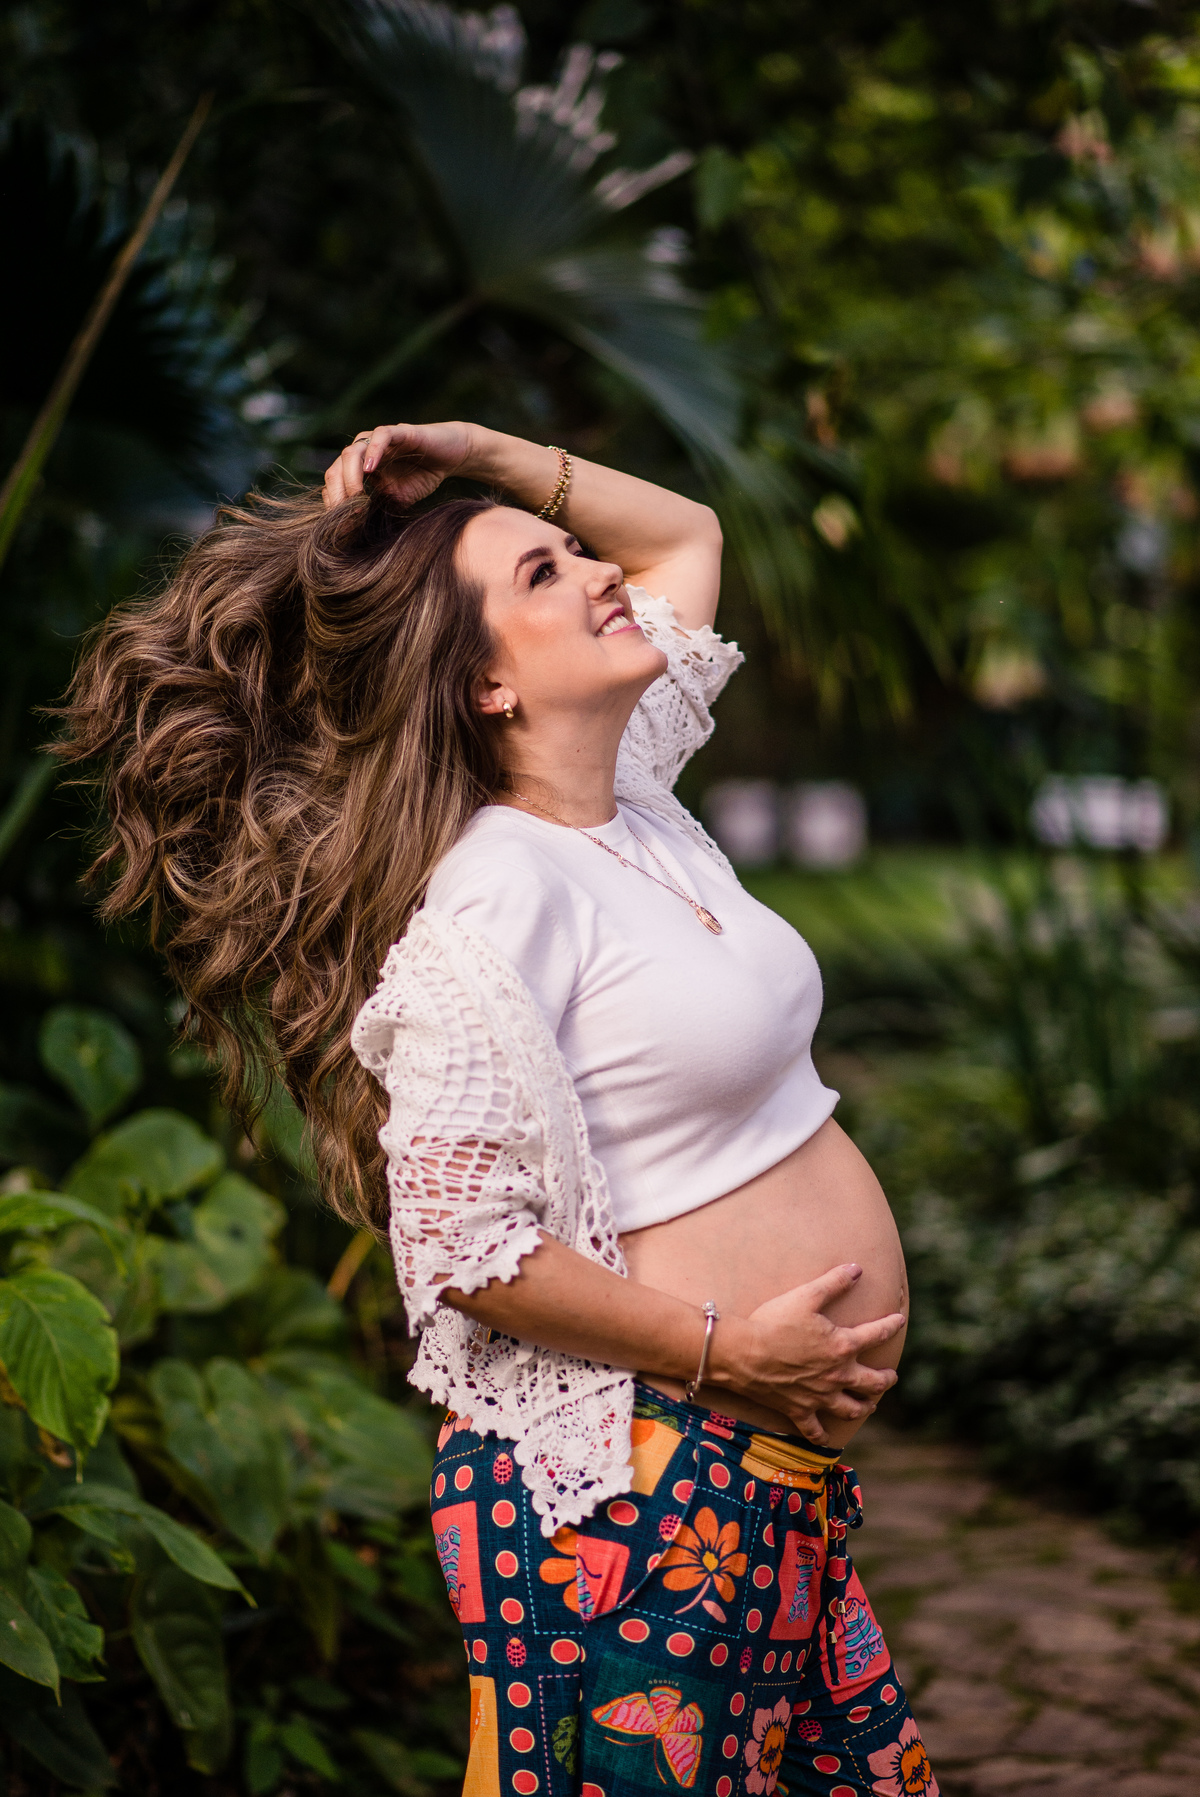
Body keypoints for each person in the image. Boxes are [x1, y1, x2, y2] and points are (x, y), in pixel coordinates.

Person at [60, 420, 936, 1797]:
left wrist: (473, 452)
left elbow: (685, 538)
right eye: (545, 575)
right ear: (482, 684)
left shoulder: (632, 798)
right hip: (648, 1490)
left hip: (755, 1483)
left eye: (571, 553)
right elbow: (463, 1244)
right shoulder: (495, 891)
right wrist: (725, 1351)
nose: (598, 574)